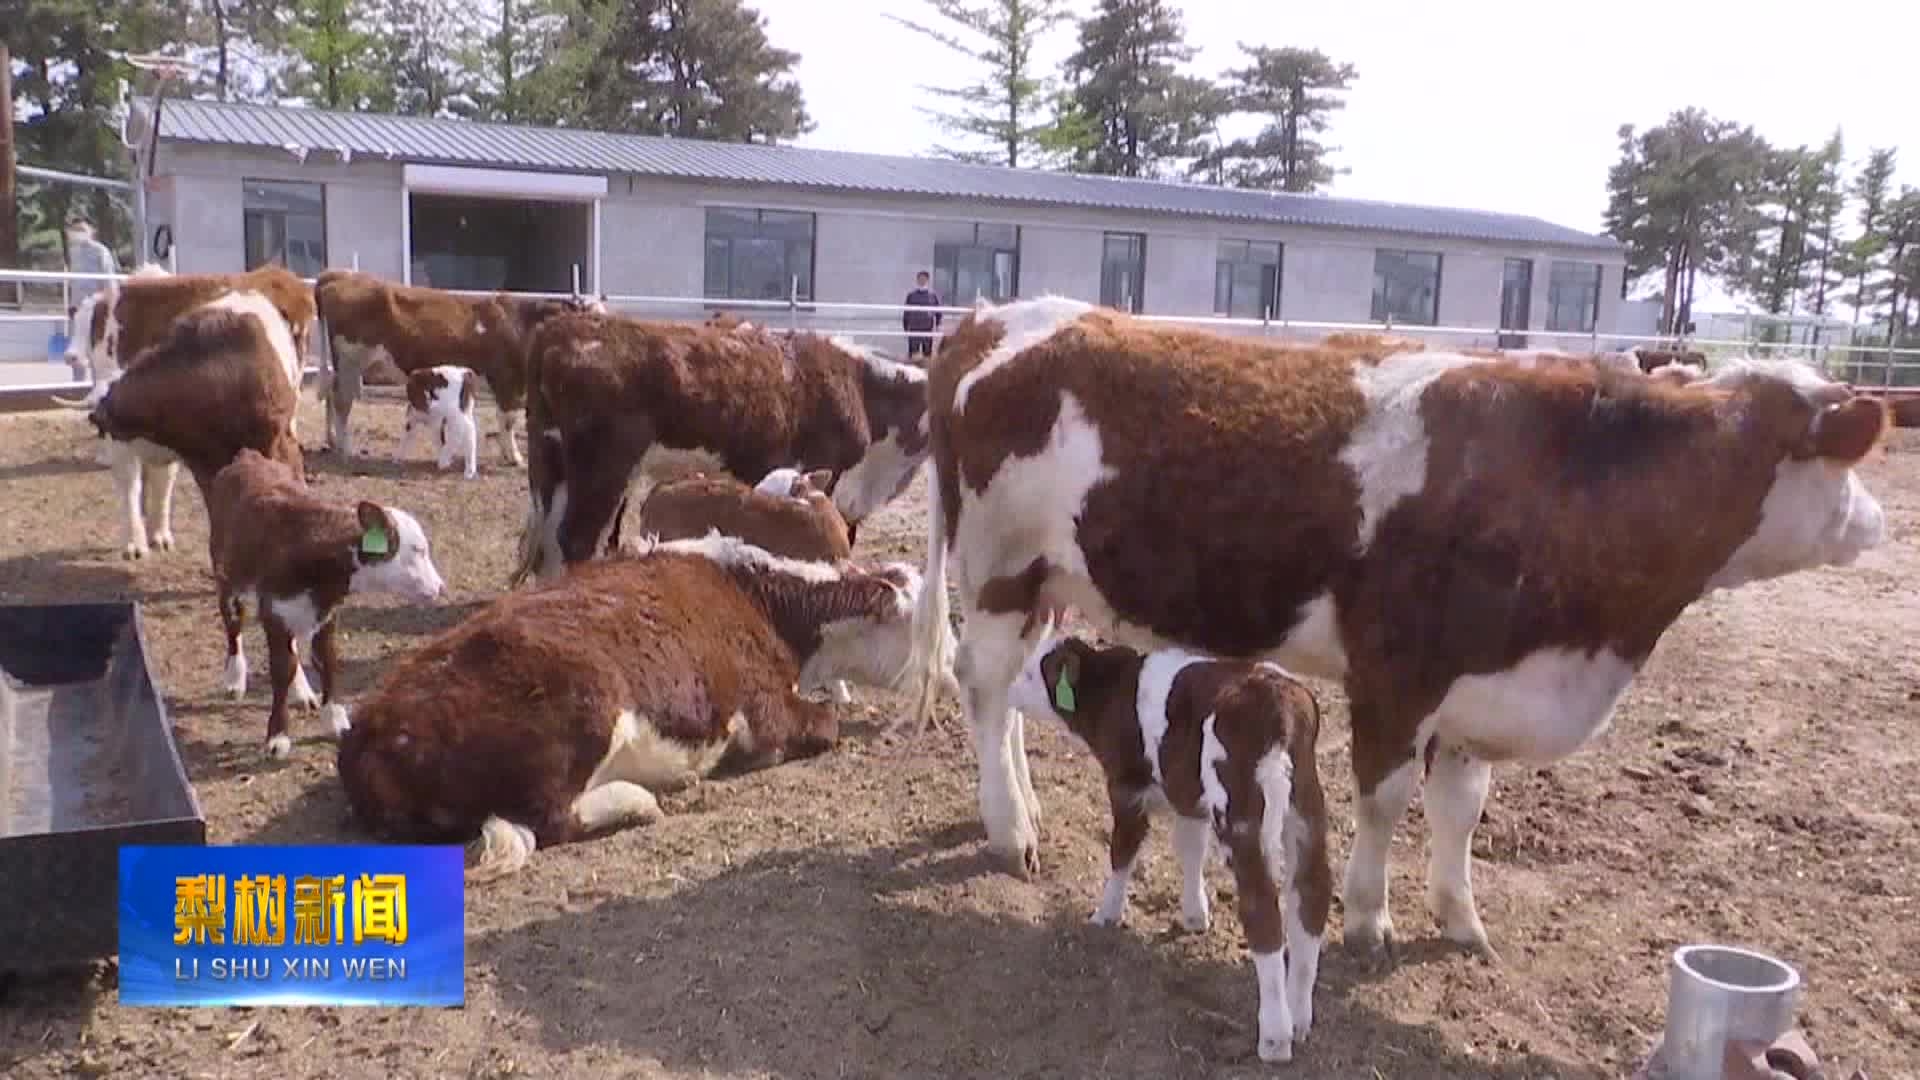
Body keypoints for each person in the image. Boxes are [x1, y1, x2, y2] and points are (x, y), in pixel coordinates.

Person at [64, 217, 119, 383]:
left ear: (92, 231)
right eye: (75, 230)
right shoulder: (73, 252)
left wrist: (109, 305)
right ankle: (77, 387)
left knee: (97, 351)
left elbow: (109, 280)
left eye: (82, 229)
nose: (78, 233)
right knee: (77, 353)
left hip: (96, 307)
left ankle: (98, 388)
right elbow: (72, 282)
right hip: (78, 307)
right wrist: (71, 305)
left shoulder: (100, 251)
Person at [901, 270, 942, 359]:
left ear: (927, 280)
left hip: (927, 329)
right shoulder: (911, 295)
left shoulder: (932, 296)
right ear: (917, 280)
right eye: (920, 279)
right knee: (913, 353)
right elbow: (906, 312)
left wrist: (938, 324)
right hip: (914, 329)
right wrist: (905, 327)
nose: (922, 281)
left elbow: (938, 311)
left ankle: (926, 371)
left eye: (924, 279)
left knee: (927, 354)